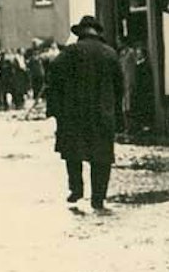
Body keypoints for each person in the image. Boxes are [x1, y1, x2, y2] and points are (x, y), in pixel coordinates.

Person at [50, 16, 123, 214]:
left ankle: (76, 189)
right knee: (102, 156)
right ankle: (98, 198)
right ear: (97, 32)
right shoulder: (110, 54)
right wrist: (118, 116)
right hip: (103, 114)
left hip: (75, 114)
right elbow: (119, 88)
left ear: (81, 33)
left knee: (73, 152)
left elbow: (53, 74)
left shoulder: (70, 53)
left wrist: (56, 109)